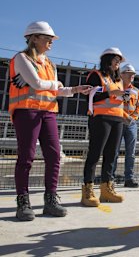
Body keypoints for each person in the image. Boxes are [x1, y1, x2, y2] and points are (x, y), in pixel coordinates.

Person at [9, 21, 91, 221]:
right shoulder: (21, 58)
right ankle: (23, 202)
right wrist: (54, 84)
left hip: (48, 112)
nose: (51, 42)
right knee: (26, 157)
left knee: (55, 156)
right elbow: (37, 84)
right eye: (48, 39)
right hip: (27, 111)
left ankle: (50, 200)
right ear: (34, 38)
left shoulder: (49, 64)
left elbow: (51, 88)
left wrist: (74, 90)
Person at [81, 47, 126, 207]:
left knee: (111, 155)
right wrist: (111, 93)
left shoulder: (118, 80)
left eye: (119, 61)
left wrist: (124, 96)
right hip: (100, 119)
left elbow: (115, 96)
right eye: (116, 60)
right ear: (108, 60)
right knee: (95, 153)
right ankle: (87, 189)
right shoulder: (96, 75)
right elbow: (90, 97)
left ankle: (107, 189)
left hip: (117, 119)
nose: (118, 63)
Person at [112, 63, 139, 188]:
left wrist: (134, 117)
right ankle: (110, 178)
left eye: (133, 74)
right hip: (117, 122)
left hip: (131, 123)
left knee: (131, 153)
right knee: (113, 151)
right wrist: (125, 116)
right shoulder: (115, 88)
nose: (132, 76)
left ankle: (129, 179)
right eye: (130, 74)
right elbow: (113, 104)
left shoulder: (135, 91)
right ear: (122, 74)